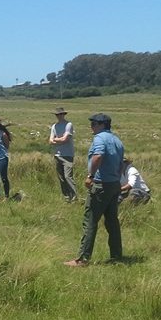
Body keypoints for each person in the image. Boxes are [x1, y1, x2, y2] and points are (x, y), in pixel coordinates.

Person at [64, 113, 125, 267]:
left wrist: (90, 175)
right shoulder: (117, 140)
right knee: (112, 221)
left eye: (94, 124)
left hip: (100, 184)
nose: (92, 126)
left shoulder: (100, 139)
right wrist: (116, 178)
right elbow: (121, 164)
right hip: (114, 184)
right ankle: (117, 256)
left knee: (90, 220)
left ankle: (83, 259)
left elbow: (97, 157)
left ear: (102, 125)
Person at [49, 107, 77, 202]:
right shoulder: (54, 126)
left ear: (64, 115)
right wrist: (58, 140)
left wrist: (56, 139)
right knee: (61, 177)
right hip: (57, 154)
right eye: (57, 114)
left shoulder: (68, 125)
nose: (58, 116)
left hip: (67, 154)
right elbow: (50, 140)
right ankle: (66, 197)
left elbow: (65, 139)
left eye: (60, 114)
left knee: (68, 176)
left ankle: (74, 197)